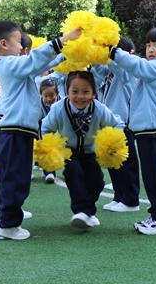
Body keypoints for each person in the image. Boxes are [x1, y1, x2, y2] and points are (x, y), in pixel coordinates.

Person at [0, 20, 80, 240]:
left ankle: (9, 217)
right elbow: (34, 61)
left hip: (21, 129)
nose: (22, 47)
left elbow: (39, 66)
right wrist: (62, 41)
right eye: (19, 42)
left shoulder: (15, 66)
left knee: (19, 177)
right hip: (14, 129)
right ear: (4, 44)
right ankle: (8, 224)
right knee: (15, 177)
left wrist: (64, 55)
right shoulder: (9, 65)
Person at [108, 26, 156, 235]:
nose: (151, 48)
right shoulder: (149, 68)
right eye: (148, 44)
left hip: (154, 129)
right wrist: (104, 56)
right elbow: (125, 71)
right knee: (151, 177)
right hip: (146, 129)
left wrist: (113, 51)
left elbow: (136, 65)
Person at [41, 71, 125, 228]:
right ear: (67, 92)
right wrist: (50, 149)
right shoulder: (59, 108)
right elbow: (46, 127)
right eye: (74, 91)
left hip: (90, 151)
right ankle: (80, 211)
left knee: (97, 182)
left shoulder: (99, 109)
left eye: (85, 91)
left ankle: (88, 212)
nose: (80, 96)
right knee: (74, 173)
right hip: (68, 150)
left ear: (93, 93)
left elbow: (117, 124)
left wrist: (113, 141)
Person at [92, 38, 140, 212]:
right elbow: (99, 70)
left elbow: (119, 70)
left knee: (126, 162)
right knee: (113, 161)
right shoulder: (112, 70)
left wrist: (110, 53)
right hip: (109, 121)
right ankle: (119, 195)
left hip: (123, 121)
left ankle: (131, 200)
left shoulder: (130, 68)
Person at [38, 78, 60, 183]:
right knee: (46, 148)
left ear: (57, 93)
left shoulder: (63, 102)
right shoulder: (37, 104)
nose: (48, 99)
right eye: (45, 96)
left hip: (60, 130)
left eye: (52, 96)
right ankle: (49, 172)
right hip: (44, 130)